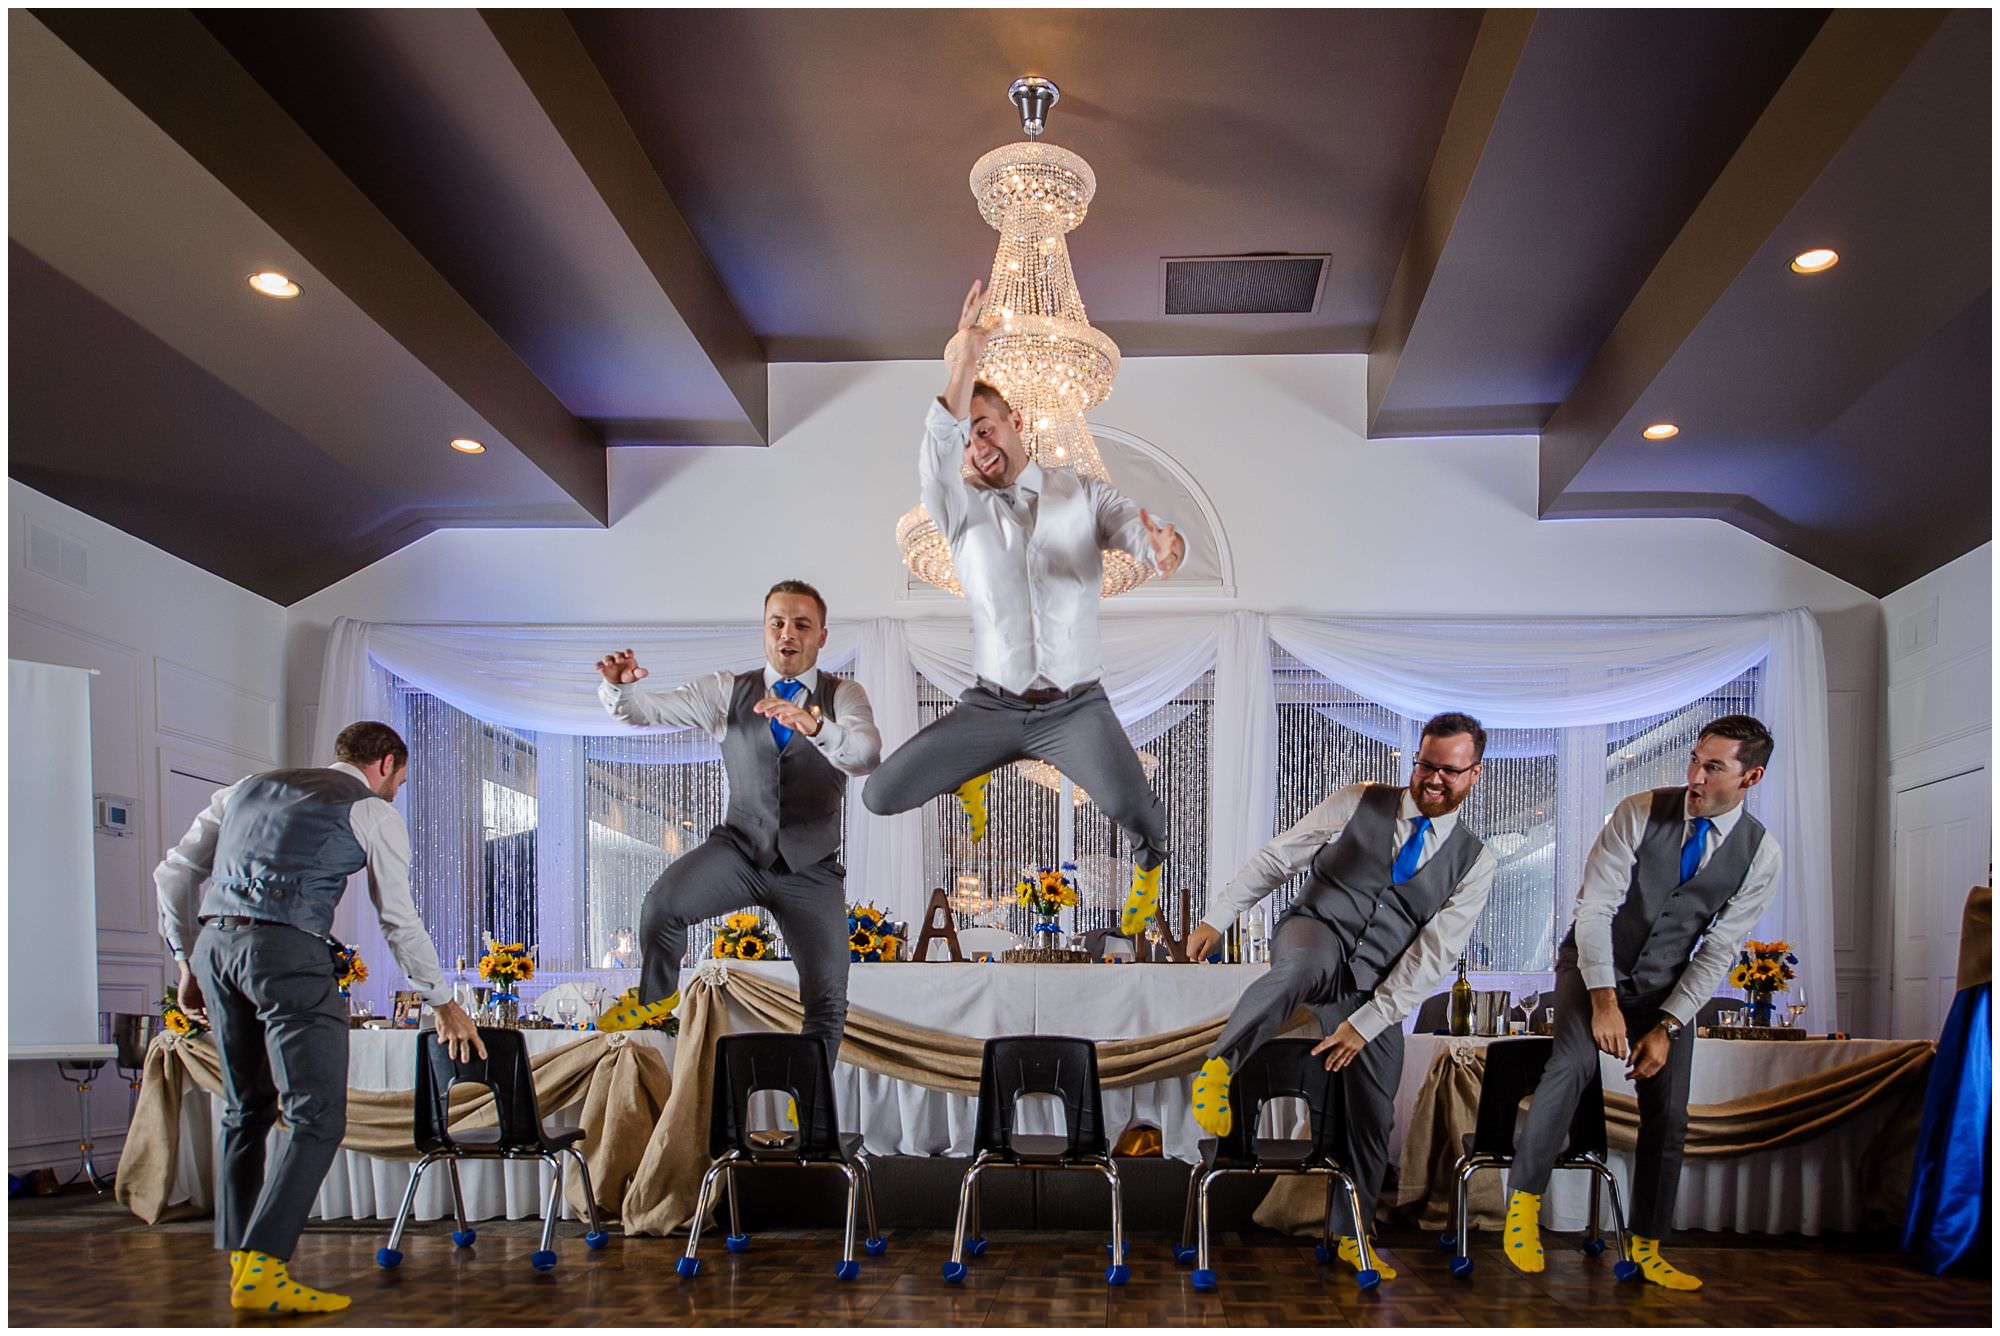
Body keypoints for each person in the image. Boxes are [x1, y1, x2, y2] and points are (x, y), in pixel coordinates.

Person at [863, 279, 1186, 938]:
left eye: (984, 429)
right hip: (991, 706)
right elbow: (936, 445)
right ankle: (969, 774)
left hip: (1076, 707)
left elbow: (1142, 536)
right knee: (880, 794)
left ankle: (1146, 874)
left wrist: (1164, 549)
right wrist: (964, 361)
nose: (977, 447)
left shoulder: (1084, 495)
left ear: (1015, 421)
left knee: (1142, 814)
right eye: (966, 440)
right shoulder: (957, 509)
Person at [154, 721, 484, 1315]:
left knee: (244, 1108)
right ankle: (263, 1267)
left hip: (217, 950)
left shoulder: (246, 789)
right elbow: (398, 918)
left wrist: (185, 959)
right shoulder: (371, 810)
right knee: (317, 1116)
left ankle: (243, 1263)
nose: (396, 792)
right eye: (400, 780)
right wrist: (442, 1000)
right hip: (288, 955)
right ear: (386, 763)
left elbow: (175, 872)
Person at [1188, 712, 1496, 1281]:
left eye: (1449, 771)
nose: (1433, 779)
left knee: (1374, 1111)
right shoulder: (1360, 801)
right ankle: (1219, 1066)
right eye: (1425, 765)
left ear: (1474, 773)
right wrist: (1218, 916)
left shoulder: (1476, 861)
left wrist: (1367, 1023)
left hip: (1374, 982)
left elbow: (1431, 954)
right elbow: (1279, 857)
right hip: (1316, 928)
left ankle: (1352, 1231)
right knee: (1299, 971)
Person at [1503, 715, 1781, 1291]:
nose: (1695, 776)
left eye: (1713, 767)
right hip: (1591, 964)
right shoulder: (1638, 811)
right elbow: (1595, 910)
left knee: (1670, 1112)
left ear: (1750, 777)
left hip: (1665, 987)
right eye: (1695, 760)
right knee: (1572, 1065)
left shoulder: (1761, 854)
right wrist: (1604, 1000)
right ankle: (1523, 1206)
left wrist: (1668, 1025)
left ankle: (1648, 1245)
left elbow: (1718, 950)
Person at [593, 580, 881, 1067]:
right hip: (740, 851)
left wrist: (816, 727)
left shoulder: (844, 695)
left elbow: (866, 754)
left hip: (811, 868)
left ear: (821, 636)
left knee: (828, 998)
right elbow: (647, 711)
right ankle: (658, 1000)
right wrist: (620, 689)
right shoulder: (726, 690)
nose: (788, 633)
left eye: (801, 624)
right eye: (777, 623)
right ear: (765, 630)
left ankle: (810, 1106)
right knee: (663, 906)